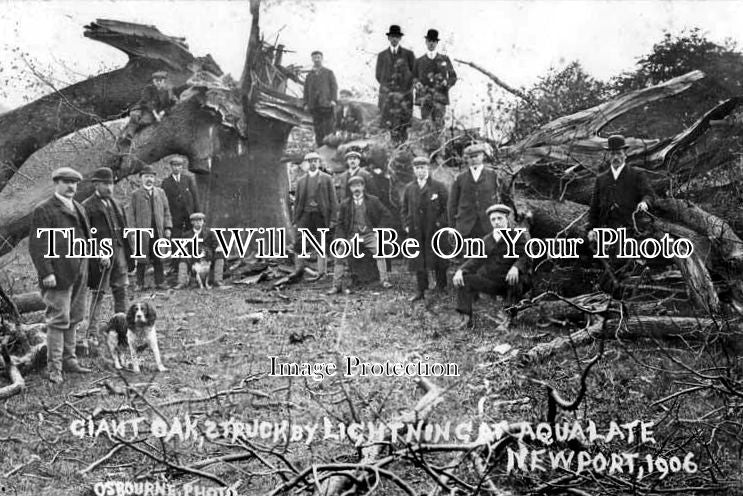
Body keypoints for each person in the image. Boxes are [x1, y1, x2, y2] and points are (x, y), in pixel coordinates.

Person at [28, 167, 93, 383]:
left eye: (74, 183)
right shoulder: (44, 209)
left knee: (75, 316)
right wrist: (46, 272)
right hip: (57, 272)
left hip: (80, 269)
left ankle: (70, 360)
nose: (71, 187)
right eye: (66, 182)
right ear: (56, 183)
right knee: (57, 318)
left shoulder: (79, 208)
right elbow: (38, 245)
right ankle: (54, 368)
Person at [452, 204, 530, 330]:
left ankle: (509, 318)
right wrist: (461, 270)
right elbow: (476, 260)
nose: (497, 222)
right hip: (493, 282)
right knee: (465, 280)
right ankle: (466, 318)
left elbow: (526, 256)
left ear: (506, 218)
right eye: (493, 220)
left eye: (500, 218)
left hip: (512, 281)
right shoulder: (487, 239)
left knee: (516, 280)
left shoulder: (517, 235)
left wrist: (516, 267)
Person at [81, 167, 133, 341]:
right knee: (98, 293)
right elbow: (86, 235)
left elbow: (125, 230)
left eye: (111, 184)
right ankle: (92, 334)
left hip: (120, 253)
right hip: (101, 257)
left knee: (121, 291)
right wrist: (98, 254)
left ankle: (123, 332)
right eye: (105, 184)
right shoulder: (87, 206)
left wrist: (129, 254)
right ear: (96, 184)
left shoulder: (117, 204)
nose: (109, 188)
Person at [327, 175, 393, 294]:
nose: (356, 188)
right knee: (340, 255)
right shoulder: (345, 204)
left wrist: (379, 231)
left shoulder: (373, 200)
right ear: (350, 188)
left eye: (358, 185)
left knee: (379, 252)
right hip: (353, 236)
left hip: (369, 235)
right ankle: (336, 286)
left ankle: (384, 280)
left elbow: (386, 215)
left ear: (363, 187)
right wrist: (341, 239)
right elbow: (340, 224)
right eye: (353, 186)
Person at [401, 156, 449, 302]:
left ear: (428, 168)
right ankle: (421, 289)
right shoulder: (410, 188)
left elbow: (446, 208)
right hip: (416, 230)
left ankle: (442, 287)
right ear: (414, 170)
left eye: (423, 167)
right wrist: (407, 225)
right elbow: (404, 209)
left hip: (434, 229)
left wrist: (440, 224)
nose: (420, 171)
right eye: (417, 168)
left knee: (439, 258)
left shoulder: (438, 186)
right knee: (418, 259)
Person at [587, 134, 654, 240]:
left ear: (625, 155)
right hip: (606, 229)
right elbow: (594, 206)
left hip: (629, 228)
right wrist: (591, 229)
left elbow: (649, 194)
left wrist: (644, 203)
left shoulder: (636, 174)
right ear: (608, 156)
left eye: (619, 153)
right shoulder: (601, 179)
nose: (616, 157)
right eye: (612, 154)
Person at [448, 143, 510, 240]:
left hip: (488, 225)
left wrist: (505, 223)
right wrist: (452, 227)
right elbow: (452, 204)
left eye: (476, 156)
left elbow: (504, 199)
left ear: (483, 156)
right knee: (467, 253)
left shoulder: (494, 176)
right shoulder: (460, 178)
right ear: (467, 159)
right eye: (470, 157)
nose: (473, 159)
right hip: (465, 226)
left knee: (490, 252)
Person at [293, 152, 337, 278]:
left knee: (321, 241)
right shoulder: (301, 181)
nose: (312, 163)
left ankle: (322, 271)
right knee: (299, 240)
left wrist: (334, 218)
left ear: (319, 162)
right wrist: (295, 218)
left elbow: (333, 199)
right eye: (310, 161)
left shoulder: (326, 178)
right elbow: (297, 201)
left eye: (315, 161)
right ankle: (298, 270)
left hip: (321, 215)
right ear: (307, 163)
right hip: (305, 214)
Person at [129, 166, 172, 291]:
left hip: (158, 231)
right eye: (146, 176)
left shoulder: (160, 192)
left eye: (152, 177)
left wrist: (168, 227)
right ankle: (139, 283)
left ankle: (160, 282)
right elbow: (131, 214)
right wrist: (132, 231)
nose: (149, 179)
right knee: (142, 258)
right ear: (141, 178)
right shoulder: (136, 194)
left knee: (158, 257)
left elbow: (166, 211)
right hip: (142, 232)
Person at [375, 25, 416, 144]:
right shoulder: (382, 55)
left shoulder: (408, 54)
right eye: (392, 37)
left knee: (403, 125)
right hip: (388, 96)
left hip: (404, 96)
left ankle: (403, 150)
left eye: (397, 37)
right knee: (390, 123)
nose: (394, 39)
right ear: (388, 38)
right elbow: (378, 75)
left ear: (400, 39)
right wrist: (388, 89)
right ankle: (393, 149)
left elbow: (414, 74)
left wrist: (405, 89)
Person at [413, 29, 457, 134]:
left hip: (440, 99)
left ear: (437, 43)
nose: (431, 43)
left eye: (433, 41)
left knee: (439, 127)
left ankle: (441, 151)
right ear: (426, 42)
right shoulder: (419, 61)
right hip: (424, 99)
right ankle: (428, 150)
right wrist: (416, 83)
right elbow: (413, 77)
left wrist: (447, 82)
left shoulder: (444, 59)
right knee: (426, 128)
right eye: (429, 41)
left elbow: (453, 77)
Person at [121, 71, 177, 142]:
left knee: (145, 122)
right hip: (142, 108)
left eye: (160, 81)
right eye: (156, 81)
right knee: (135, 116)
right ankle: (129, 136)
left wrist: (162, 112)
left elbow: (168, 106)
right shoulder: (148, 89)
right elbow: (147, 102)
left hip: (151, 113)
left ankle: (134, 132)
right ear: (153, 81)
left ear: (164, 81)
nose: (158, 83)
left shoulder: (166, 93)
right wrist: (156, 114)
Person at [175, 212, 226, 289]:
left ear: (203, 222)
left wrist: (218, 248)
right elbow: (183, 246)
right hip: (193, 257)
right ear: (192, 222)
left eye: (200, 220)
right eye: (195, 220)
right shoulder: (186, 235)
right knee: (183, 257)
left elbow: (216, 244)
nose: (198, 222)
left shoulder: (210, 233)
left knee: (220, 254)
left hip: (207, 256)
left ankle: (218, 281)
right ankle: (182, 282)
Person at [303, 51, 338, 147]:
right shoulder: (309, 75)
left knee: (329, 127)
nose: (316, 59)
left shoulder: (328, 72)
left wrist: (333, 100)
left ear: (322, 59)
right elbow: (306, 90)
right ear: (312, 59)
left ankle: (330, 147)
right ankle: (320, 148)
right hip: (314, 106)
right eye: (314, 58)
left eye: (318, 57)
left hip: (326, 104)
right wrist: (305, 103)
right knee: (318, 129)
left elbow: (334, 87)